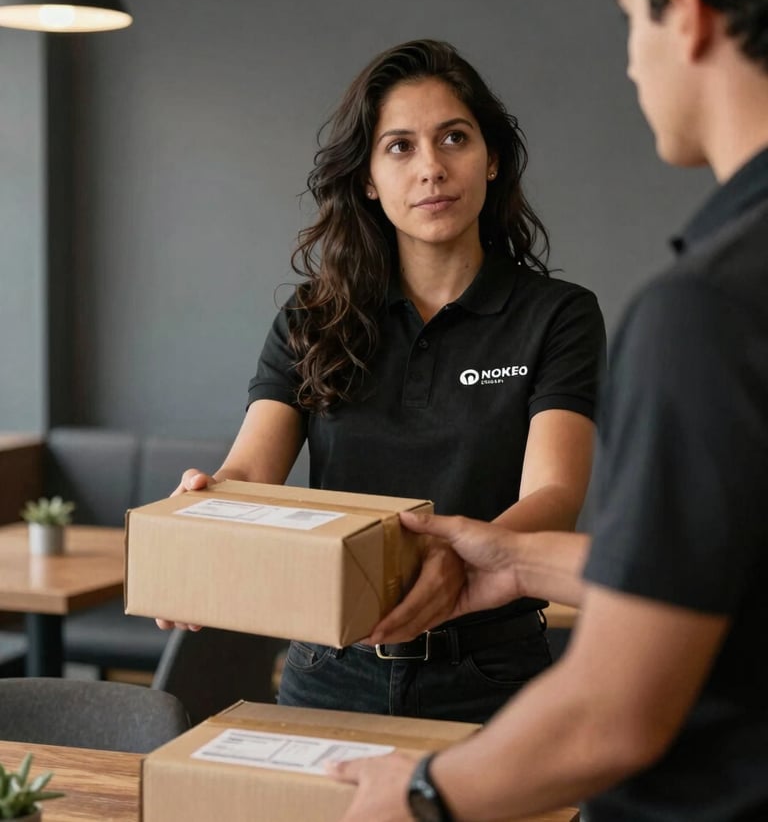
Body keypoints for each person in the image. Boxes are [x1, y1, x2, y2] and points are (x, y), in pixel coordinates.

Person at [329, 0, 768, 820]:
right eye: (400, 147)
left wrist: (420, 793)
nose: (633, 63)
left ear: (683, 10)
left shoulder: (707, 308)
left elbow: (614, 713)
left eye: (628, 21)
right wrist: (518, 558)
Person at [157, 38, 606, 725]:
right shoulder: (313, 316)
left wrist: (457, 562)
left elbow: (554, 494)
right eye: (399, 147)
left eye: (453, 137)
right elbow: (251, 467)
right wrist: (203, 512)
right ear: (367, 177)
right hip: (329, 665)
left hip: (493, 671)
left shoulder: (557, 316)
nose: (431, 168)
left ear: (490, 159)